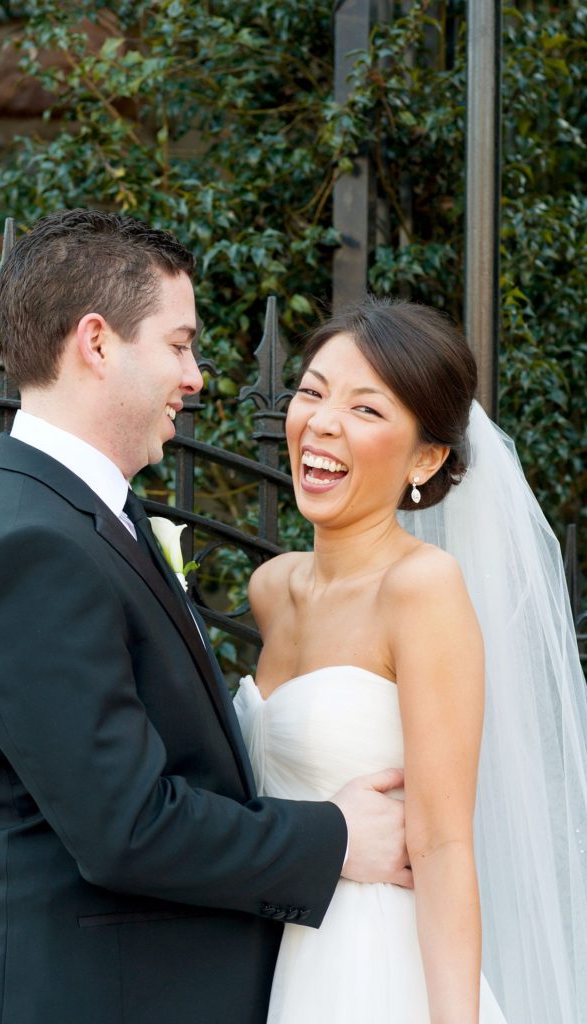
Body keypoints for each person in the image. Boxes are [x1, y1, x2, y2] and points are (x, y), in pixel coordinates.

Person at [0, 210, 413, 1024]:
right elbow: (127, 827)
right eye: (179, 344)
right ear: (97, 342)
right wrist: (335, 840)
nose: (196, 377)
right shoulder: (29, 551)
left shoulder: (80, 516)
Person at [234, 297, 587, 1023]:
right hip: (265, 957)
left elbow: (443, 844)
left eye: (366, 410)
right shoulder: (271, 589)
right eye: (311, 390)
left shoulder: (421, 588)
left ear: (425, 458)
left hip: (373, 967)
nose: (322, 421)